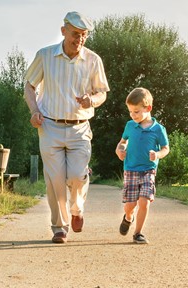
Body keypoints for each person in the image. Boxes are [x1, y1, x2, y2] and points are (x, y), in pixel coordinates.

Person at [24, 11, 110, 244]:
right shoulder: (45, 56)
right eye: (75, 34)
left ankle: (77, 209)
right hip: (50, 126)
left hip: (80, 127)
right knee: (55, 180)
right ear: (63, 31)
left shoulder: (93, 60)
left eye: (84, 35)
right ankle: (59, 227)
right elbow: (29, 86)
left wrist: (92, 100)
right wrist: (34, 111)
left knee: (77, 176)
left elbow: (102, 92)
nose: (79, 40)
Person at [115, 87, 170, 244]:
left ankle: (138, 233)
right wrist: (119, 150)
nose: (133, 115)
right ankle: (128, 217)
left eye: (137, 111)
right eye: (131, 112)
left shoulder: (159, 129)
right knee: (130, 205)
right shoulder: (130, 125)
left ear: (148, 108)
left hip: (148, 170)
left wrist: (158, 154)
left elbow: (166, 148)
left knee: (144, 202)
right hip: (131, 169)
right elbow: (122, 142)